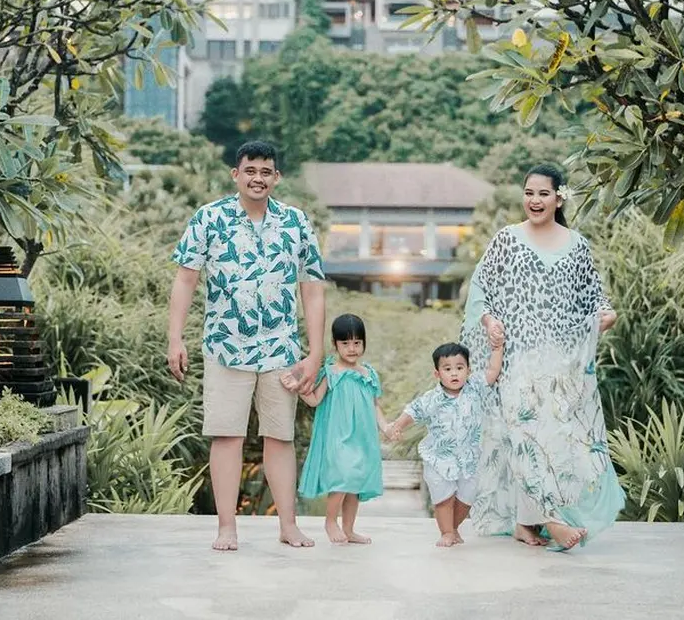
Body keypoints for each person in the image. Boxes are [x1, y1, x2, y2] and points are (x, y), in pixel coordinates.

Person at [166, 140, 326, 552]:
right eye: (250, 170)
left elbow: (312, 290)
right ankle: (226, 528)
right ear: (235, 174)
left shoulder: (295, 222)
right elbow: (185, 280)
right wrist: (174, 338)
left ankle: (288, 525)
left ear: (277, 177)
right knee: (226, 436)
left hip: (281, 348)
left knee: (280, 438)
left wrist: (315, 353)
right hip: (225, 346)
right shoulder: (209, 218)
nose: (258, 178)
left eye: (266, 171)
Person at [461, 163, 624, 552]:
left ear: (558, 197)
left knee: (554, 440)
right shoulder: (506, 240)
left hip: (560, 364)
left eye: (543, 194)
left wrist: (606, 315)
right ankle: (552, 519)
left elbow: (594, 298)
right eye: (529, 193)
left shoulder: (577, 246)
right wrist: (488, 320)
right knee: (524, 436)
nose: (534, 201)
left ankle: (524, 522)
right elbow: (480, 289)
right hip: (516, 361)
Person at [386, 337, 504, 548]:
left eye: (460, 367)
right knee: (444, 499)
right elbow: (413, 411)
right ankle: (447, 532)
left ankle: (454, 527)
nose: (454, 373)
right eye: (448, 369)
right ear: (437, 374)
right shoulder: (432, 399)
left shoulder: (475, 388)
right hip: (439, 459)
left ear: (468, 370)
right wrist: (397, 426)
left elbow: (493, 371)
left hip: (469, 458)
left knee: (466, 499)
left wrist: (498, 348)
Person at [292, 313, 388, 545]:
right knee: (343, 477)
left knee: (354, 484)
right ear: (335, 344)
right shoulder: (331, 372)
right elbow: (315, 400)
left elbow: (375, 405)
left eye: (357, 343)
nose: (352, 348)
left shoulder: (368, 374)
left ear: (364, 343)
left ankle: (349, 529)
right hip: (339, 437)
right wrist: (298, 388)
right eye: (345, 343)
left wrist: (385, 426)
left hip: (362, 438)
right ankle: (330, 521)